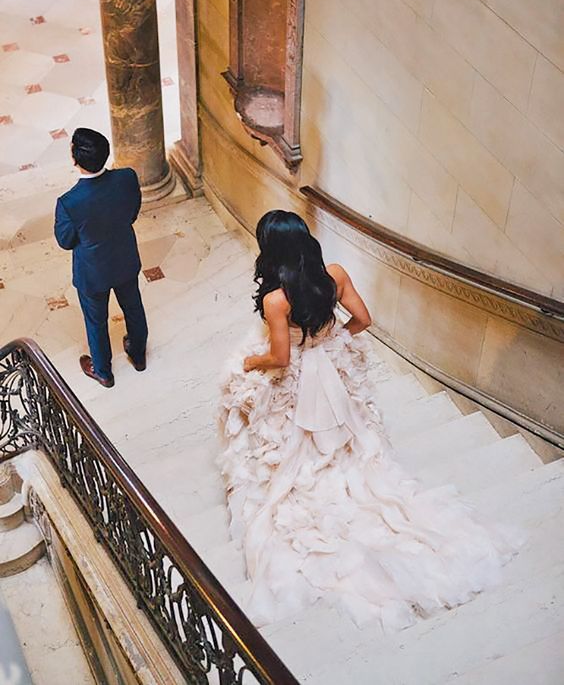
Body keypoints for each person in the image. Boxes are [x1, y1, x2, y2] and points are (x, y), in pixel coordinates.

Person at [218, 210, 519, 631]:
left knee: (290, 447)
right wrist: (331, 342)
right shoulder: (334, 275)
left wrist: (252, 360)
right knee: (350, 432)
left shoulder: (276, 300)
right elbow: (363, 320)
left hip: (298, 377)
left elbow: (281, 358)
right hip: (332, 368)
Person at [54, 128, 148, 388]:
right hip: (125, 258)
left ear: (75, 159)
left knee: (96, 320)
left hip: (92, 272)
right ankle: (138, 354)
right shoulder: (127, 177)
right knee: (133, 306)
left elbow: (65, 241)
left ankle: (103, 371)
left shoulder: (69, 202)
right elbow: (132, 211)